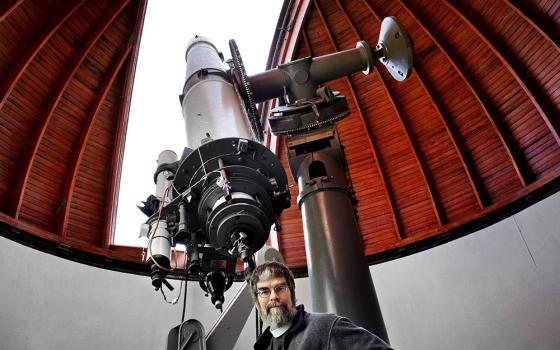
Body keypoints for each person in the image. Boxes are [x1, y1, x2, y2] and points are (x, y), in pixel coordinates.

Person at [250, 261, 393, 350]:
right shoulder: (263, 345)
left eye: (280, 288)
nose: (273, 296)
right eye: (264, 291)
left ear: (292, 293)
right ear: (256, 302)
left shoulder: (327, 326)